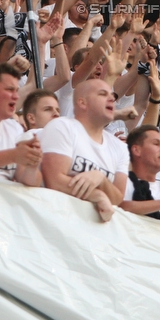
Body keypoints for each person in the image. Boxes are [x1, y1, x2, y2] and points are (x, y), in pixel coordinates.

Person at [40, 79, 129, 222]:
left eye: (112, 95)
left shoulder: (120, 147)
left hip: (94, 235)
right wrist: (98, 195)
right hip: (56, 222)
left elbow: (117, 199)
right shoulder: (63, 127)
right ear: (82, 102)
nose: (112, 98)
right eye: (102, 94)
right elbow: (54, 181)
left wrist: (101, 179)